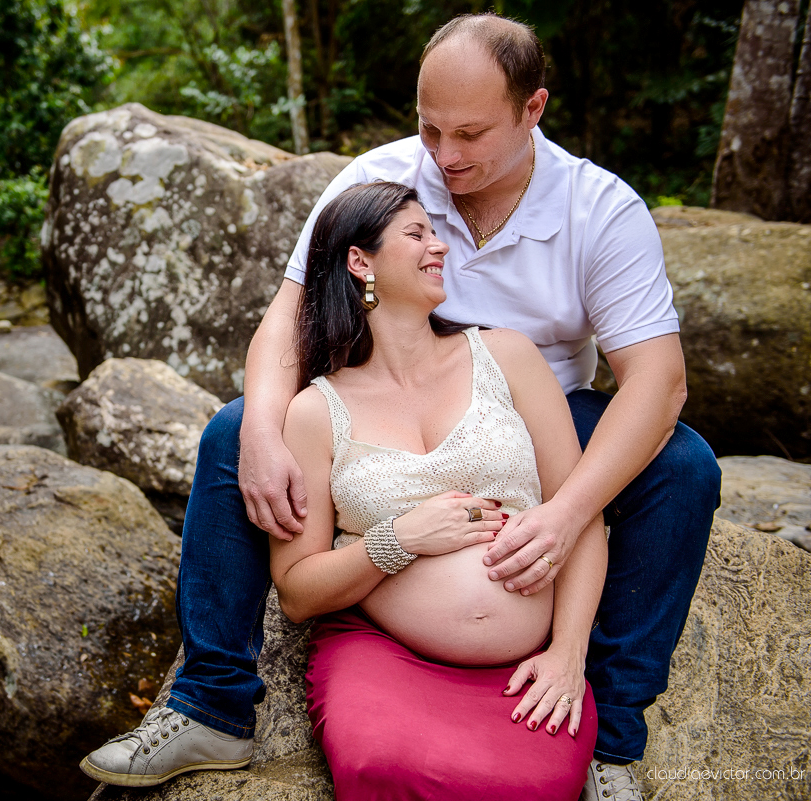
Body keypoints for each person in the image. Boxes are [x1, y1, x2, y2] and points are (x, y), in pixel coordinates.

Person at [81, 13, 720, 800]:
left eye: (470, 134)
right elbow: (287, 321)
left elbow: (659, 381)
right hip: (381, 399)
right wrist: (261, 430)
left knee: (682, 464)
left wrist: (564, 514)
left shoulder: (600, 210)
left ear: (533, 110)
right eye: (430, 128)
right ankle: (212, 703)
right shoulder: (381, 176)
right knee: (230, 431)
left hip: (532, 402)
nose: (444, 157)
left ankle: (610, 735)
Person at [271, 179, 605, 800]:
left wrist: (568, 654)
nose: (440, 247)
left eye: (436, 232)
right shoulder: (315, 413)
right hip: (385, 657)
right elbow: (296, 591)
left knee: (528, 786)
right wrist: (397, 540)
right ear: (359, 261)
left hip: (527, 672)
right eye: (417, 233)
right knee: (382, 766)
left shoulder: (507, 357)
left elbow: (581, 514)